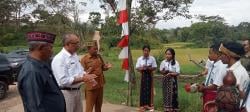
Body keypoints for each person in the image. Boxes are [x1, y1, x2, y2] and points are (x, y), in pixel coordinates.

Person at [18, 31, 66, 112]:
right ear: (41, 47)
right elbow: (35, 107)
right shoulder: (32, 72)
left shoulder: (41, 64)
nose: (52, 51)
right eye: (50, 47)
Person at [51, 33, 96, 112]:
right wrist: (83, 79)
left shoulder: (74, 55)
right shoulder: (59, 59)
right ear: (67, 44)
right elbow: (63, 81)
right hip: (66, 94)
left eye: (78, 43)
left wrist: (87, 76)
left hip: (77, 92)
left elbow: (80, 71)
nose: (78, 45)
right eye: (76, 43)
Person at [80, 41, 112, 112]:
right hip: (91, 87)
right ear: (89, 49)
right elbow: (81, 73)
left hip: (100, 85)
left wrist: (106, 67)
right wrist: (88, 71)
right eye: (94, 49)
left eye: (97, 48)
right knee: (89, 108)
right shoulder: (84, 59)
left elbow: (103, 67)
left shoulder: (99, 56)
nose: (96, 50)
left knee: (98, 106)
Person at [219, 41, 250, 110]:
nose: (220, 57)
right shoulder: (228, 69)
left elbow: (231, 99)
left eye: (221, 54)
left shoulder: (237, 73)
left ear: (228, 55)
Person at [198, 43, 227, 112]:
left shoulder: (221, 66)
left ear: (218, 54)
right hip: (208, 92)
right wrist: (203, 84)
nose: (208, 55)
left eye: (210, 53)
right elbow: (211, 79)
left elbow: (216, 85)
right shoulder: (213, 64)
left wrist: (203, 88)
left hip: (214, 95)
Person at [135, 45, 157, 112]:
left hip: (150, 76)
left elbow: (155, 67)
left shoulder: (152, 58)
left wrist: (148, 68)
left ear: (149, 51)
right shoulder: (140, 59)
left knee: (149, 90)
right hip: (143, 76)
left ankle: (149, 105)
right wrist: (142, 68)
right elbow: (137, 67)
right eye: (145, 50)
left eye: (147, 51)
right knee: (142, 90)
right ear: (143, 51)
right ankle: (142, 106)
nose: (146, 52)